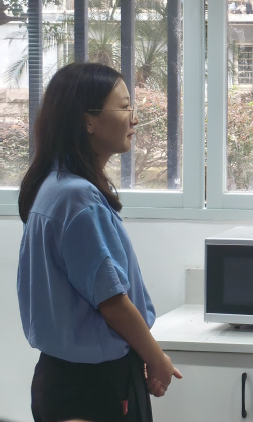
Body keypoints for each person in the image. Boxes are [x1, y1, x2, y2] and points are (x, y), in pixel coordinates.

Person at [17, 62, 182, 422]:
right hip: (92, 387)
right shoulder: (78, 198)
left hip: (61, 378)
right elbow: (113, 303)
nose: (134, 118)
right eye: (124, 107)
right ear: (88, 121)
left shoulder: (54, 186)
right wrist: (156, 358)